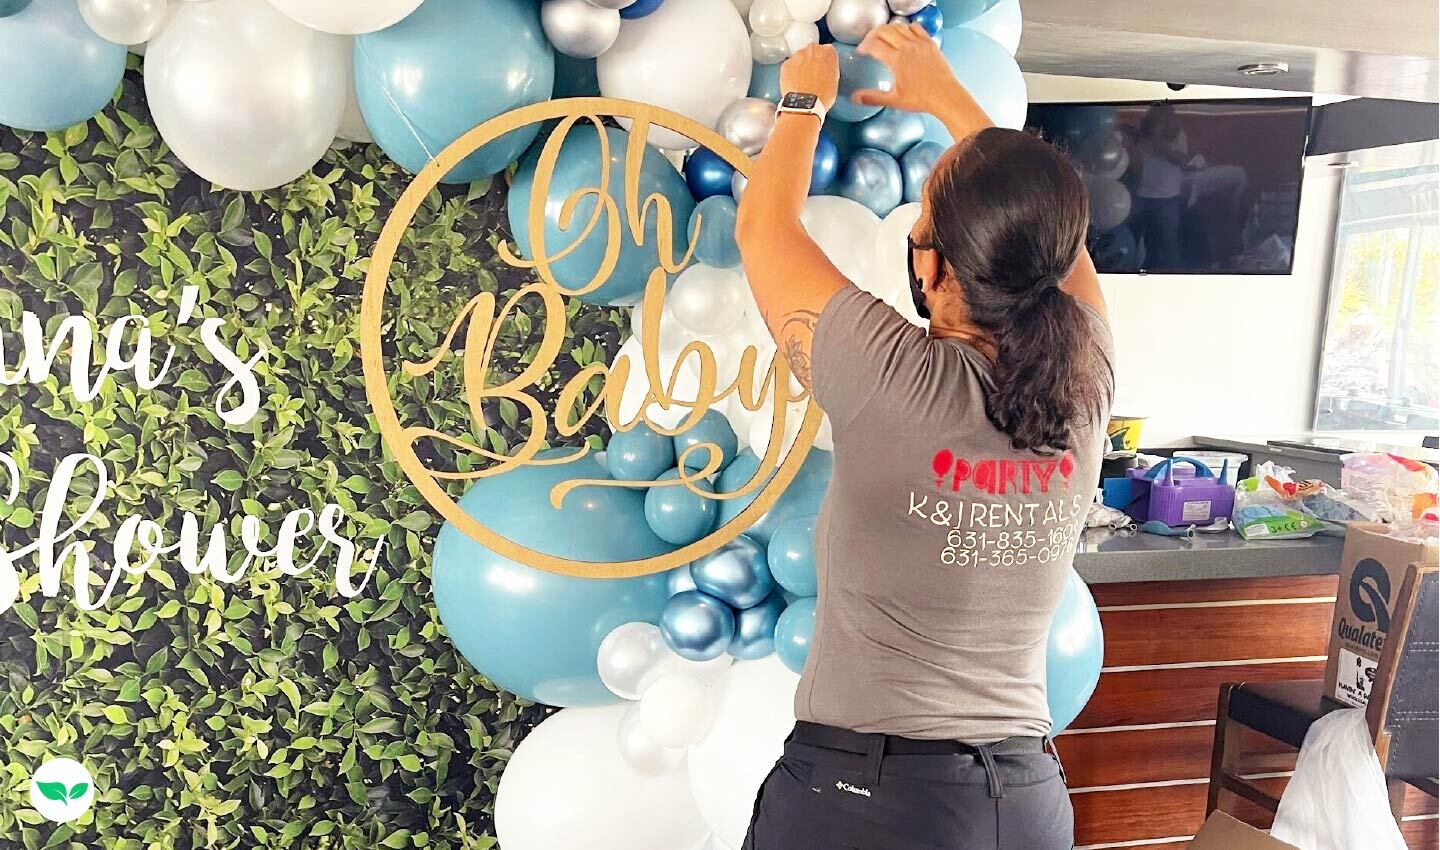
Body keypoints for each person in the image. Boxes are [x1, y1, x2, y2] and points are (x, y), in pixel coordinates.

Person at [733, 23, 1115, 850]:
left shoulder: (891, 379)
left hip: (871, 802)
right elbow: (1051, 232)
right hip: (1028, 807)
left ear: (931, 267)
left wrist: (804, 96)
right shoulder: (1088, 378)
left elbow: (763, 231)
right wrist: (943, 91)